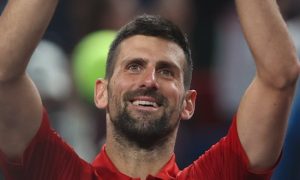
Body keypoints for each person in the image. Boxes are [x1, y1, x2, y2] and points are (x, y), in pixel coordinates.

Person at [0, 0, 299, 180]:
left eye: (167, 71)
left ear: (188, 103)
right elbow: (3, 73)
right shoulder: (54, 172)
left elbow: (279, 77)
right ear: (101, 92)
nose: (150, 80)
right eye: (133, 66)